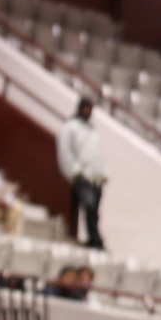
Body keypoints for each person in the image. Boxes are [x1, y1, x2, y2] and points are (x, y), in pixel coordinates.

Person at [57, 98, 106, 249]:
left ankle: (93, 239)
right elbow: (65, 152)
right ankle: (94, 238)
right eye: (85, 108)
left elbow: (96, 154)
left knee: (95, 212)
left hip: (94, 177)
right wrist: (75, 171)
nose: (87, 112)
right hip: (80, 175)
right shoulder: (70, 127)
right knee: (89, 206)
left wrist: (101, 173)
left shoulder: (92, 130)